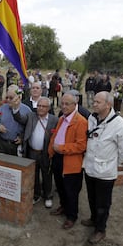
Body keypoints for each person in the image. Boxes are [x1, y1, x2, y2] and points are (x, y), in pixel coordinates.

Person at [82, 91, 123, 244]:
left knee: (103, 203)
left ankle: (100, 229)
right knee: (91, 197)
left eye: (98, 102)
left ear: (108, 105)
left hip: (105, 173)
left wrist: (111, 163)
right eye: (94, 101)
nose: (94, 104)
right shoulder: (92, 118)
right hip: (90, 168)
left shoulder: (119, 124)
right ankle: (93, 218)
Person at [48, 92, 87, 229]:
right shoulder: (61, 118)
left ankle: (72, 216)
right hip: (58, 158)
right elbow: (55, 137)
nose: (63, 106)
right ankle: (63, 207)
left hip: (70, 161)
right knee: (60, 186)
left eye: (67, 104)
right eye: (62, 103)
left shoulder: (81, 121)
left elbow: (81, 146)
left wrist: (62, 148)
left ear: (75, 105)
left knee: (71, 190)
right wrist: (52, 152)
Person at [13, 97, 58, 207]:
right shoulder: (31, 116)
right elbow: (20, 118)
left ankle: (48, 196)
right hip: (32, 152)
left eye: (43, 106)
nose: (40, 108)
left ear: (49, 108)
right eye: (39, 106)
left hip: (45, 153)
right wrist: (15, 108)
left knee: (47, 175)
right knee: (34, 175)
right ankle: (36, 195)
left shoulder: (54, 120)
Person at [0, 85, 31, 156]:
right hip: (2, 144)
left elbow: (29, 129)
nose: (8, 100)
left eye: (11, 98)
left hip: (16, 146)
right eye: (7, 97)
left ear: (18, 97)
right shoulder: (3, 107)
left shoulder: (27, 110)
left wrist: (22, 138)